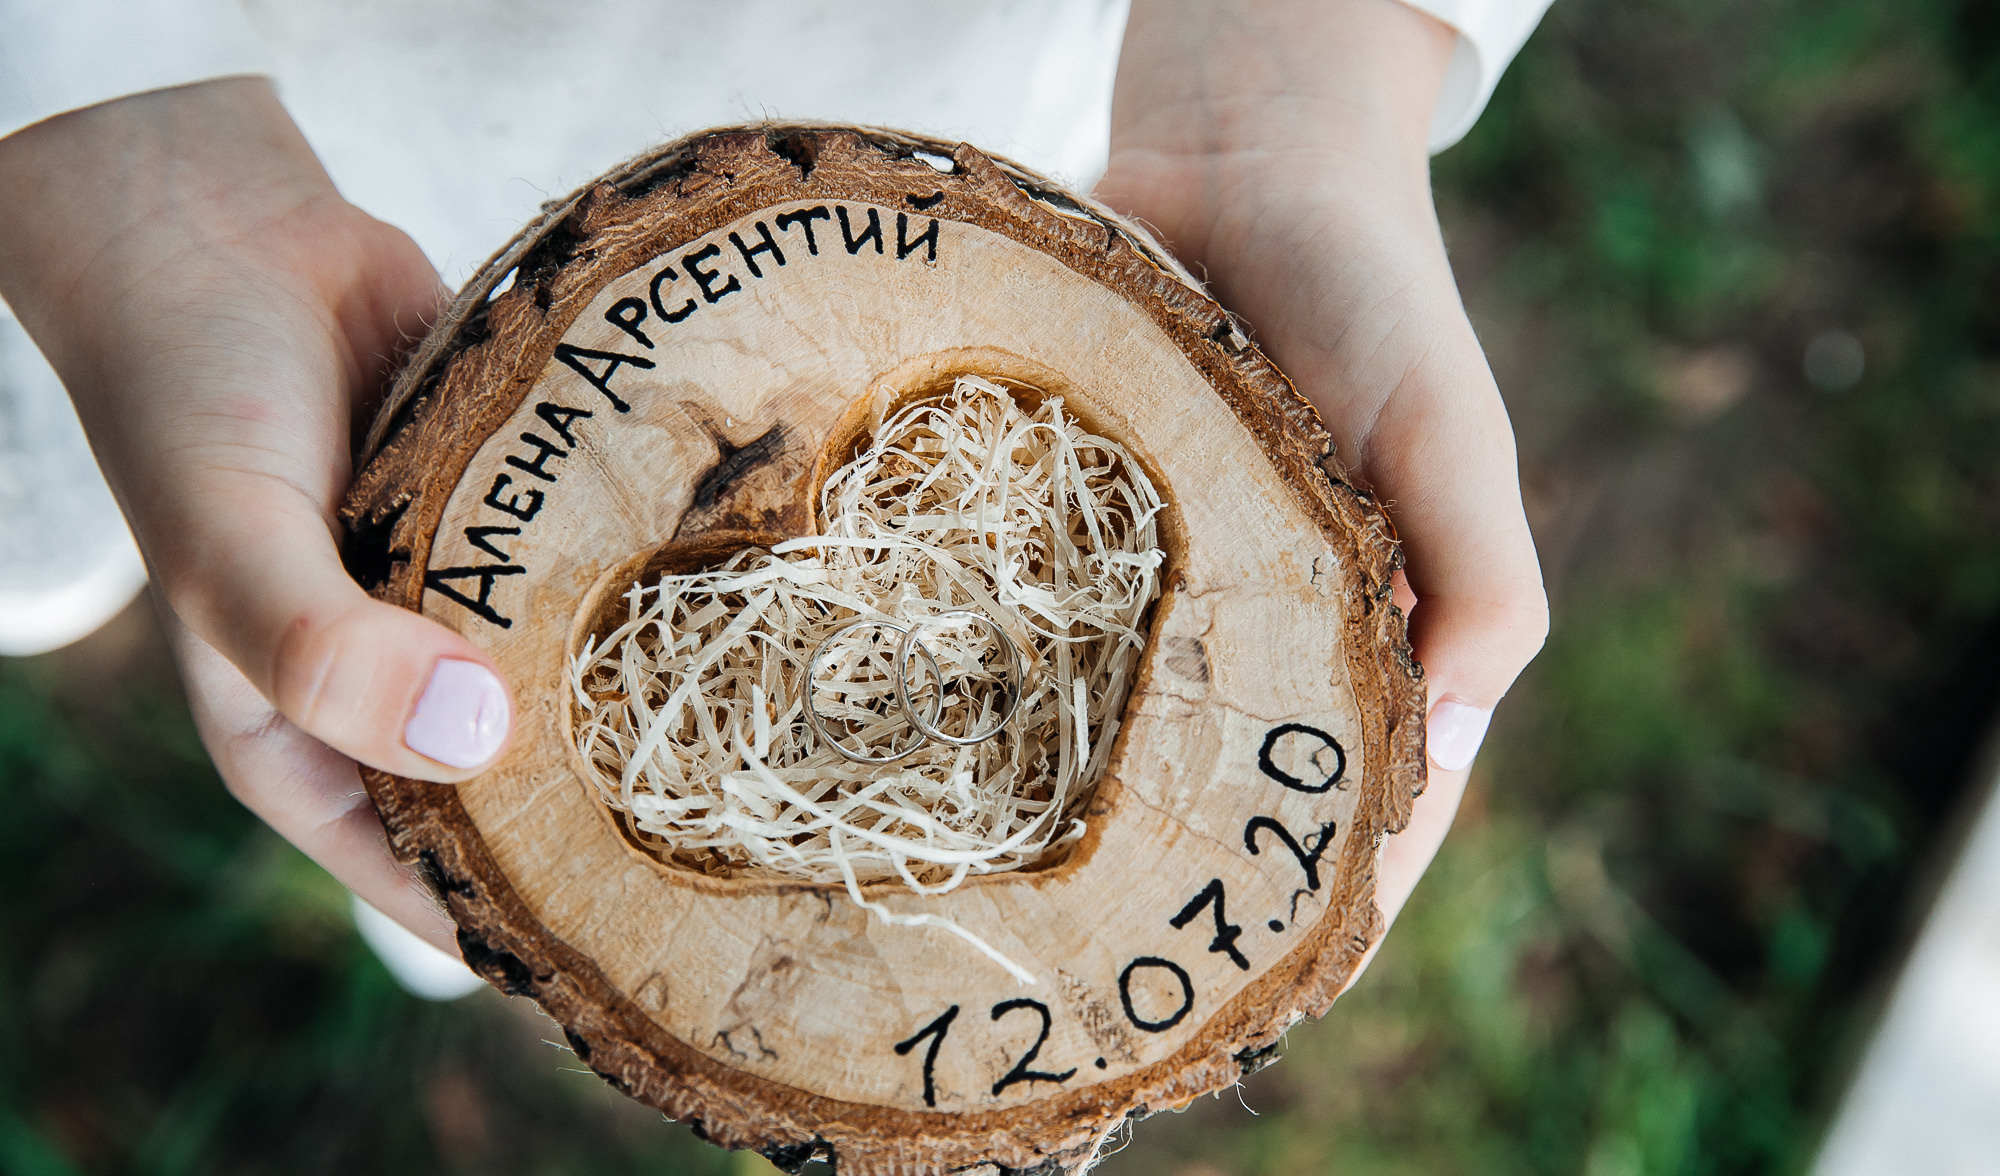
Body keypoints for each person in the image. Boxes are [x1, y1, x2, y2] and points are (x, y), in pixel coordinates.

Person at [0, 0, 1550, 986]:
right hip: (234, 67)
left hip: (938, 176)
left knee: (446, 726)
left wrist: (1290, 69)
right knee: (130, 483)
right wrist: (111, 135)